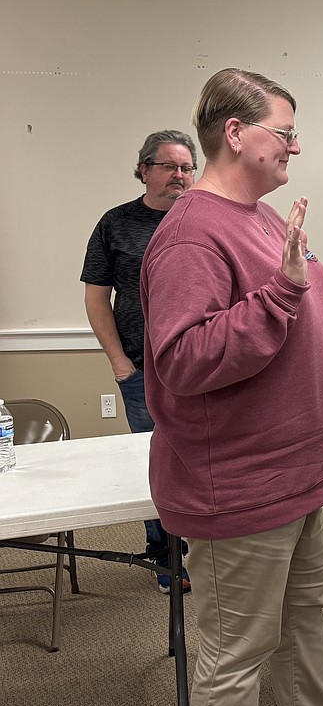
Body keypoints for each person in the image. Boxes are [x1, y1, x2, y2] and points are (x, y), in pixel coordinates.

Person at [140, 67, 323, 706]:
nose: (296, 147)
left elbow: (275, 305)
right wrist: (282, 296)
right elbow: (184, 360)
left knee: (305, 622)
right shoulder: (191, 234)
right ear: (236, 132)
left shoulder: (257, 215)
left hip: (297, 475)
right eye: (285, 133)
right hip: (242, 489)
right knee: (235, 654)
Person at [80, 129, 198, 594]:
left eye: (187, 167)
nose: (180, 176)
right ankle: (165, 555)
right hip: (142, 369)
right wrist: (119, 363)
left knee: (204, 459)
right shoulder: (116, 223)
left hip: (202, 365)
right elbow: (95, 298)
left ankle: (212, 550)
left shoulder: (205, 217)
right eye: (169, 166)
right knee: (157, 461)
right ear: (145, 170)